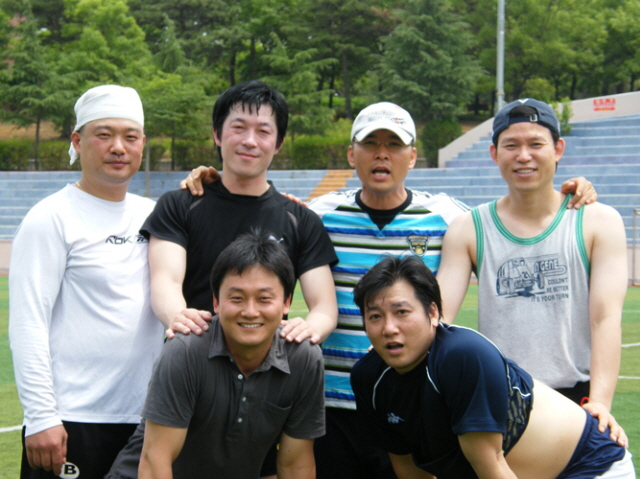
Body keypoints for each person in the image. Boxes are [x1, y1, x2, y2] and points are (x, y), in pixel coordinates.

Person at [183, 100, 596, 478]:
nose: (382, 154)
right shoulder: (318, 214)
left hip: (410, 402)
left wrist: (567, 194)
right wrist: (213, 181)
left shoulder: (449, 216)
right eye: (371, 144)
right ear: (352, 155)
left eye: (394, 145)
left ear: (412, 156)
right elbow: (257, 216)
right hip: (330, 406)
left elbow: (512, 223)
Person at [107, 79, 337, 479]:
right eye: (238, 127)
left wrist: (308, 330)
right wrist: (180, 319)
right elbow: (165, 281)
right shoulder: (182, 204)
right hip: (194, 374)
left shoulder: (299, 219)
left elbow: (324, 306)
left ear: (278, 143)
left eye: (263, 131)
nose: (249, 141)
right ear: (217, 134)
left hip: (262, 381)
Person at [437, 98, 628, 445]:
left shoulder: (599, 221)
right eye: (511, 145)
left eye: (536, 144)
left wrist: (600, 402)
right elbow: (439, 320)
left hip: (577, 398)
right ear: (494, 154)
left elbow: (605, 318)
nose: (523, 156)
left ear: (558, 149)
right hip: (500, 397)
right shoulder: (468, 228)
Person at [351, 255, 635, 479]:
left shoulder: (461, 356)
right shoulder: (368, 377)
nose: (389, 328)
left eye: (402, 312)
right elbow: (408, 468)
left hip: (590, 465)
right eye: (375, 316)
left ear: (433, 312)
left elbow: (491, 466)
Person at [8, 85, 166, 478]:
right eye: (104, 135)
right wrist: (41, 416)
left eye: (130, 137)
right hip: (72, 419)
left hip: (147, 419)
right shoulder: (51, 217)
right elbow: (28, 322)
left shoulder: (155, 216)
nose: (118, 147)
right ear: (77, 142)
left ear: (142, 143)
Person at [136, 231, 325, 478]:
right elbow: (155, 461)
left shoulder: (303, 357)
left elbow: (295, 465)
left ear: (286, 302)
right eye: (236, 298)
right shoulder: (186, 350)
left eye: (264, 299)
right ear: (216, 302)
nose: (250, 311)